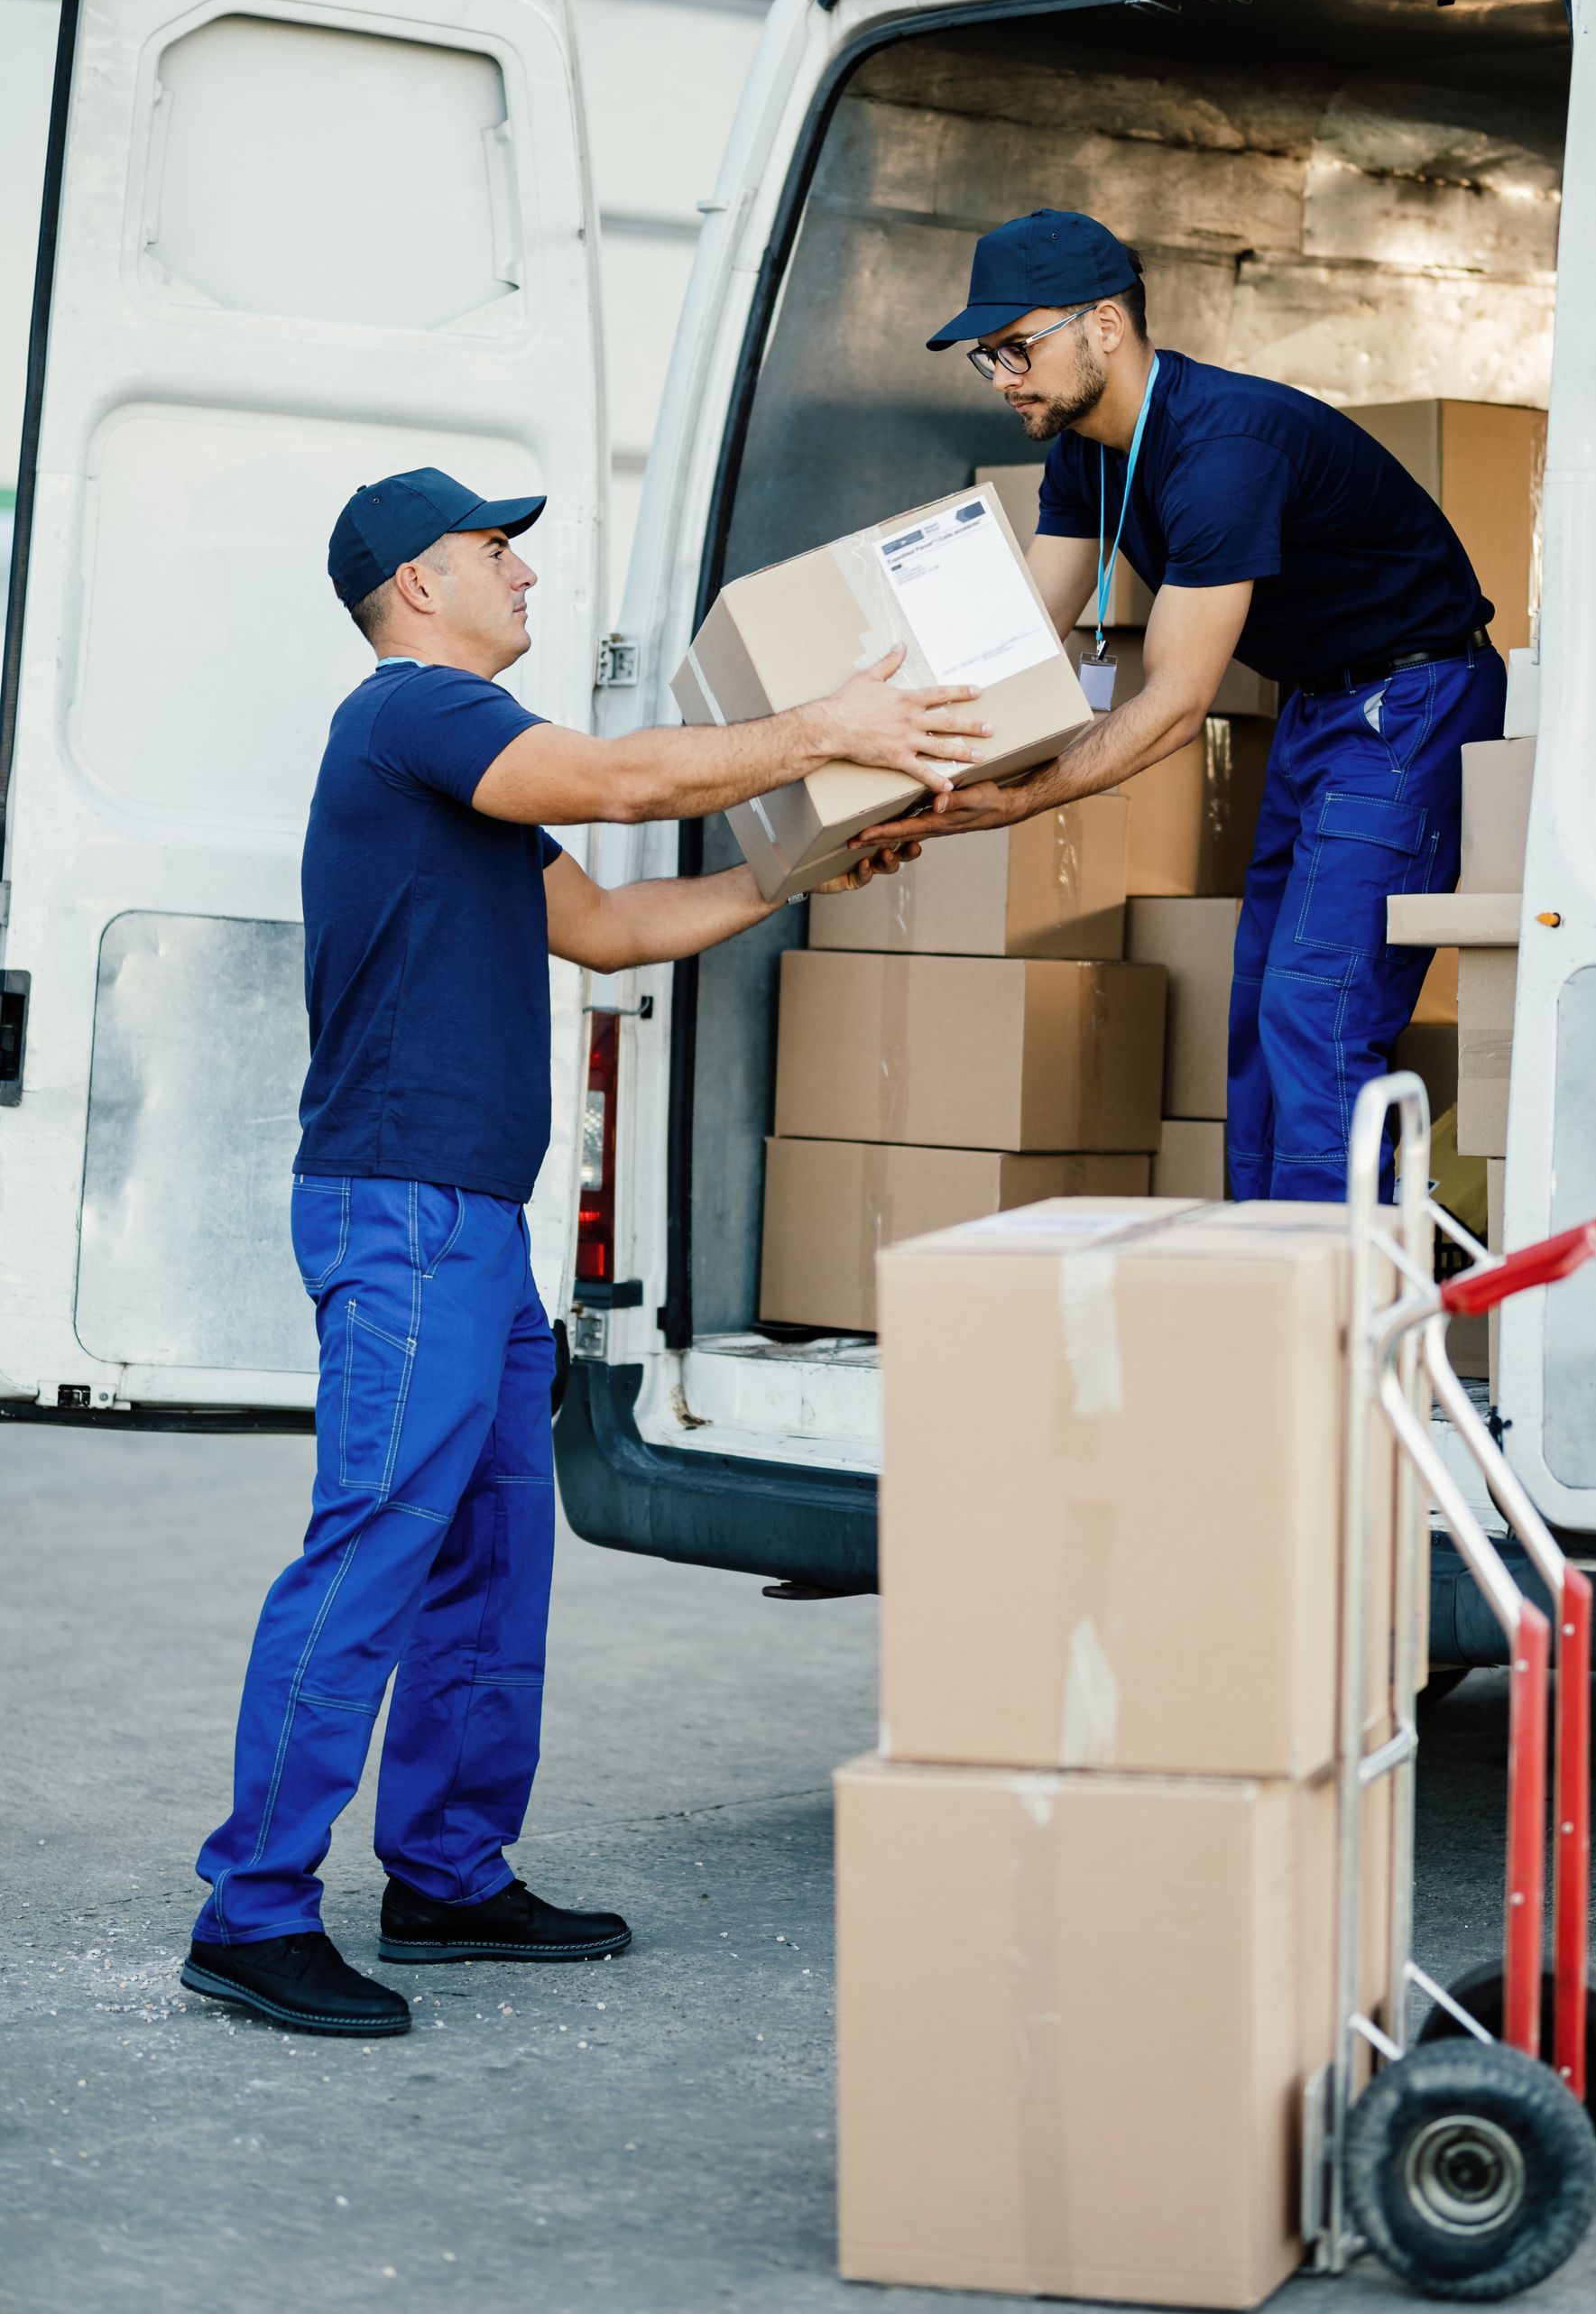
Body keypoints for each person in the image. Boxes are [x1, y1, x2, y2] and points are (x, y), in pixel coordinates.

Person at [184, 466, 967, 2039]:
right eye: (497, 552)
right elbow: (618, 782)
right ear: (417, 584)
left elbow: (607, 932)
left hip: (470, 1215)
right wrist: (825, 727)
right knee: (374, 1550)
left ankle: (450, 1876)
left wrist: (789, 874)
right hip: (402, 1210)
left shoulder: (469, 780)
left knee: (489, 1558)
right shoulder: (414, 713)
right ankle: (252, 1912)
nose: (527, 579)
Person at [863, 207, 1506, 1201]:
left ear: (1106, 328)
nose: (1005, 379)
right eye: (987, 359)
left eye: (1017, 348)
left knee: (1316, 1006)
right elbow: (1025, 635)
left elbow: (1174, 700)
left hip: (1410, 704)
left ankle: (1335, 1319)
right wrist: (887, 767)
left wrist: (1020, 802)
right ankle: (1264, 1268)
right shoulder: (1088, 448)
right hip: (1321, 710)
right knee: (1258, 1004)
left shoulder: (1223, 447)